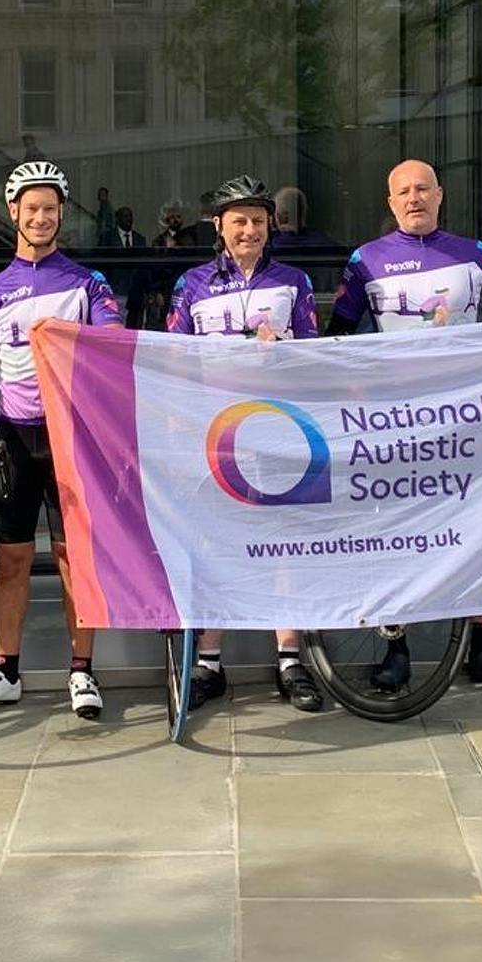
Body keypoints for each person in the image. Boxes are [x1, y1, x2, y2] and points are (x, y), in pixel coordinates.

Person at [326, 158, 482, 691]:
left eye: (423, 188)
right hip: (395, 421)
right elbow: (336, 338)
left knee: (479, 527)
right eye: (403, 191)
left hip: (466, 415)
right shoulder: (366, 261)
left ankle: (481, 649)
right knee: (394, 531)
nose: (414, 198)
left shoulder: (474, 255)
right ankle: (396, 650)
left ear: (440, 194)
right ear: (390, 202)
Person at [0, 160, 121, 719]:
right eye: (31, 208)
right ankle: (5, 671)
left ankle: (82, 671)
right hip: (11, 433)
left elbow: (112, 345)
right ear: (13, 212)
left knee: (70, 557)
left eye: (50, 209)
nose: (41, 218)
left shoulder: (87, 283)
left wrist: (74, 337)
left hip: (70, 434)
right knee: (10, 560)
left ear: (62, 214)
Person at [167, 176, 324, 713]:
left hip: (278, 430)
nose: (250, 229)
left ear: (270, 226)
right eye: (239, 221)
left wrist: (282, 348)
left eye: (258, 220)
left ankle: (289, 658)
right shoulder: (191, 285)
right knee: (215, 545)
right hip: (213, 434)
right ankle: (209, 661)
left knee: (285, 547)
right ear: (220, 227)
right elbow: (175, 361)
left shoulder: (293, 282)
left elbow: (313, 355)